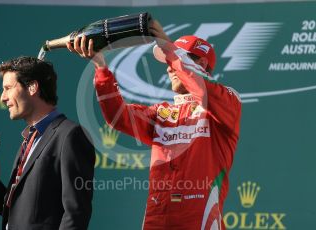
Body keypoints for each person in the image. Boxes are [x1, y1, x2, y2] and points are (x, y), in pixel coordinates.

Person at [68, 20, 241, 230]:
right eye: (168, 61)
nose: (169, 67)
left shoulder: (227, 102)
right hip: (156, 218)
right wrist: (101, 67)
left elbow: (203, 90)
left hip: (200, 221)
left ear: (201, 65)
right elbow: (118, 116)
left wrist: (171, 50)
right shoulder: (161, 113)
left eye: (175, 59)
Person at [0, 56, 95, 230]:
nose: (2, 97)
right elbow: (27, 217)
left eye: (8, 88)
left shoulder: (70, 135)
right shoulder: (30, 138)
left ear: (32, 87)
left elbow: (76, 214)